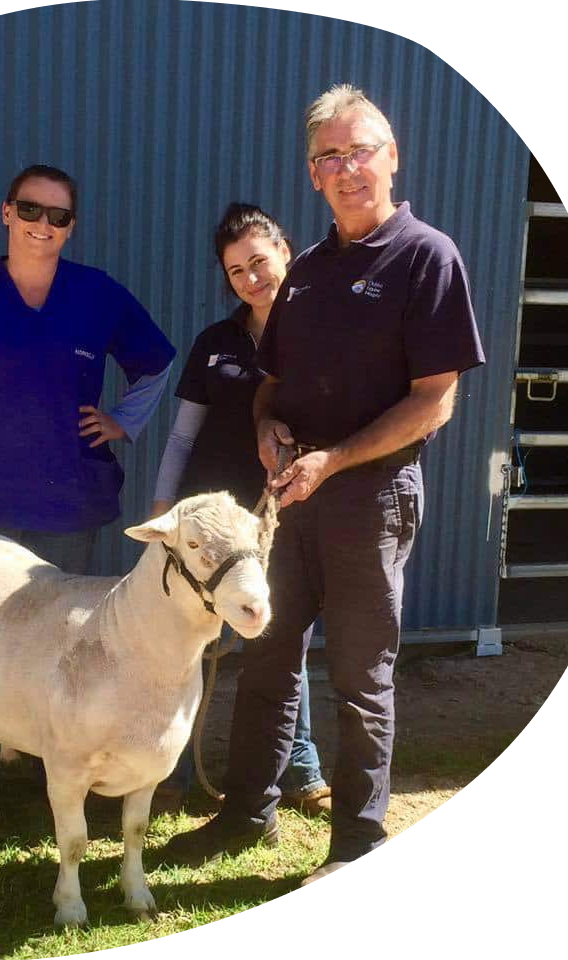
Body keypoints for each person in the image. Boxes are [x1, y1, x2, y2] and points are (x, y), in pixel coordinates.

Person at [163, 85, 485, 879]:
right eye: (330, 157)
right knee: (266, 658)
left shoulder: (426, 256)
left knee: (359, 677)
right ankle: (246, 816)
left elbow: (435, 400)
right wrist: (267, 429)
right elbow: (270, 385)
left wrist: (333, 460)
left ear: (392, 156)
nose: (348, 168)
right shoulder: (305, 271)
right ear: (313, 174)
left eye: (361, 150)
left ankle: (357, 843)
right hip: (292, 496)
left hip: (371, 500)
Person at [0, 163, 175, 787]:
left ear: (71, 226)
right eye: (29, 209)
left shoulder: (97, 295)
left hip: (66, 500)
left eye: (58, 215)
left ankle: (43, 761)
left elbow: (156, 363)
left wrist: (124, 421)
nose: (41, 224)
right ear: (6, 212)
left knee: (54, 636)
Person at [149, 203, 331, 816]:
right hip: (206, 530)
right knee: (186, 643)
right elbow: (182, 436)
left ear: (285, 253)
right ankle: (169, 772)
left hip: (280, 519)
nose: (251, 279)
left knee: (280, 638)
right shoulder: (215, 343)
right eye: (236, 271)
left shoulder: (320, 336)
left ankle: (300, 769)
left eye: (259, 262)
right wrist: (164, 509)